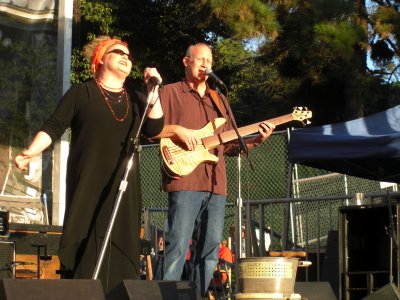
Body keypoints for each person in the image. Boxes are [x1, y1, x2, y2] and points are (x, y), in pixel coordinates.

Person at [14, 35, 164, 292]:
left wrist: (154, 92)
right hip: (89, 184)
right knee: (86, 249)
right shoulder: (81, 92)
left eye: (128, 56)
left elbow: (155, 126)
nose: (125, 58)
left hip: (123, 191)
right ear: (100, 59)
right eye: (118, 53)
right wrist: (31, 151)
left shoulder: (137, 99)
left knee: (120, 251)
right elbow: (54, 125)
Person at [153, 42, 275, 296]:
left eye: (209, 61)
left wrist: (256, 140)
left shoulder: (219, 99)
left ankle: (196, 295)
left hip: (216, 184)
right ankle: (163, 296)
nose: (206, 65)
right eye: (200, 60)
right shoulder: (169, 92)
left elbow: (231, 146)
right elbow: (150, 129)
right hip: (185, 177)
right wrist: (177, 131)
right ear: (186, 62)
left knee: (209, 250)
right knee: (177, 245)